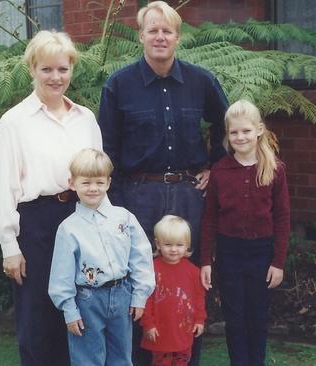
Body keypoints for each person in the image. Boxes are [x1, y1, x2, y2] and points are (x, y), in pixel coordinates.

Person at [98, 2, 228, 364]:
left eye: (167, 30)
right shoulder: (119, 85)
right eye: (152, 30)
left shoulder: (202, 82)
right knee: (141, 285)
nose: (160, 36)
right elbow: (106, 148)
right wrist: (118, 202)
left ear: (177, 37)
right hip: (138, 199)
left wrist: (214, 166)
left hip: (189, 197)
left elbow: (227, 127)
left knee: (187, 282)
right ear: (141, 35)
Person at [0, 30, 102, 365]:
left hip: (82, 220)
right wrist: (10, 246)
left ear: (71, 70)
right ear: (32, 69)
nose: (56, 77)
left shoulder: (86, 119)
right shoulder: (14, 122)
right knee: (37, 318)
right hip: (37, 227)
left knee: (81, 315)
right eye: (47, 69)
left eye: (63, 69)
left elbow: (99, 175)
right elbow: (5, 187)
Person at [199, 99, 291, 366]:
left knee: (258, 317)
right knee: (235, 317)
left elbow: (283, 217)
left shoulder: (274, 169)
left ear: (259, 130)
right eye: (234, 132)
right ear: (227, 135)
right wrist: (206, 260)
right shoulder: (220, 171)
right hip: (229, 253)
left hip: (262, 253)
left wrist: (278, 262)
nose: (240, 137)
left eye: (246, 131)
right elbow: (210, 219)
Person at [48, 148, 155, 366]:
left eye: (99, 182)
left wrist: (139, 295)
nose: (93, 188)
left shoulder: (124, 218)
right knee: (88, 359)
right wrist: (69, 310)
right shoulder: (68, 229)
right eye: (86, 182)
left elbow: (140, 257)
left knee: (122, 358)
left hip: (123, 295)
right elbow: (61, 274)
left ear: (108, 183)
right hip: (87, 301)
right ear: (72, 183)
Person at [140, 215, 206, 366]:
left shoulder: (193, 271)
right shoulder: (152, 269)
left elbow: (198, 297)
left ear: (187, 245)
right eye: (168, 244)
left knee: (182, 361)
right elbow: (145, 299)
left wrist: (200, 320)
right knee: (160, 362)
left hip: (183, 329)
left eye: (179, 245)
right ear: (158, 244)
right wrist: (148, 324)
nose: (174, 249)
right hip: (159, 332)